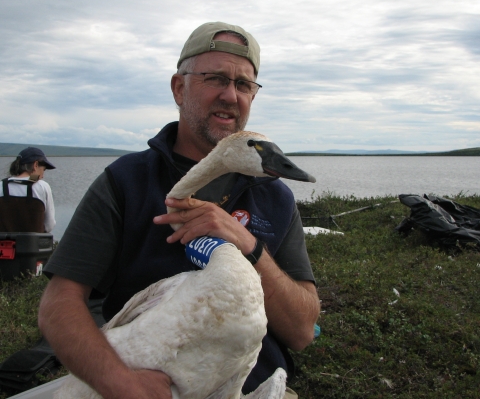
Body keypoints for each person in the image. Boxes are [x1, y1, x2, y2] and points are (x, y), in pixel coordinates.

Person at [38, 22, 320, 399]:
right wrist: (122, 384)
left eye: (244, 85)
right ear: (178, 87)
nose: (230, 96)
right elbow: (59, 305)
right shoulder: (125, 182)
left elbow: (302, 332)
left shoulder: (276, 196)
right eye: (215, 78)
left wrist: (247, 246)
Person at [0, 147, 56, 233]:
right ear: (35, 165)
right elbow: (49, 224)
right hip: (33, 245)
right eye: (43, 170)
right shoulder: (42, 186)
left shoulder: (1, 185)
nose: (43, 175)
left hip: (4, 244)